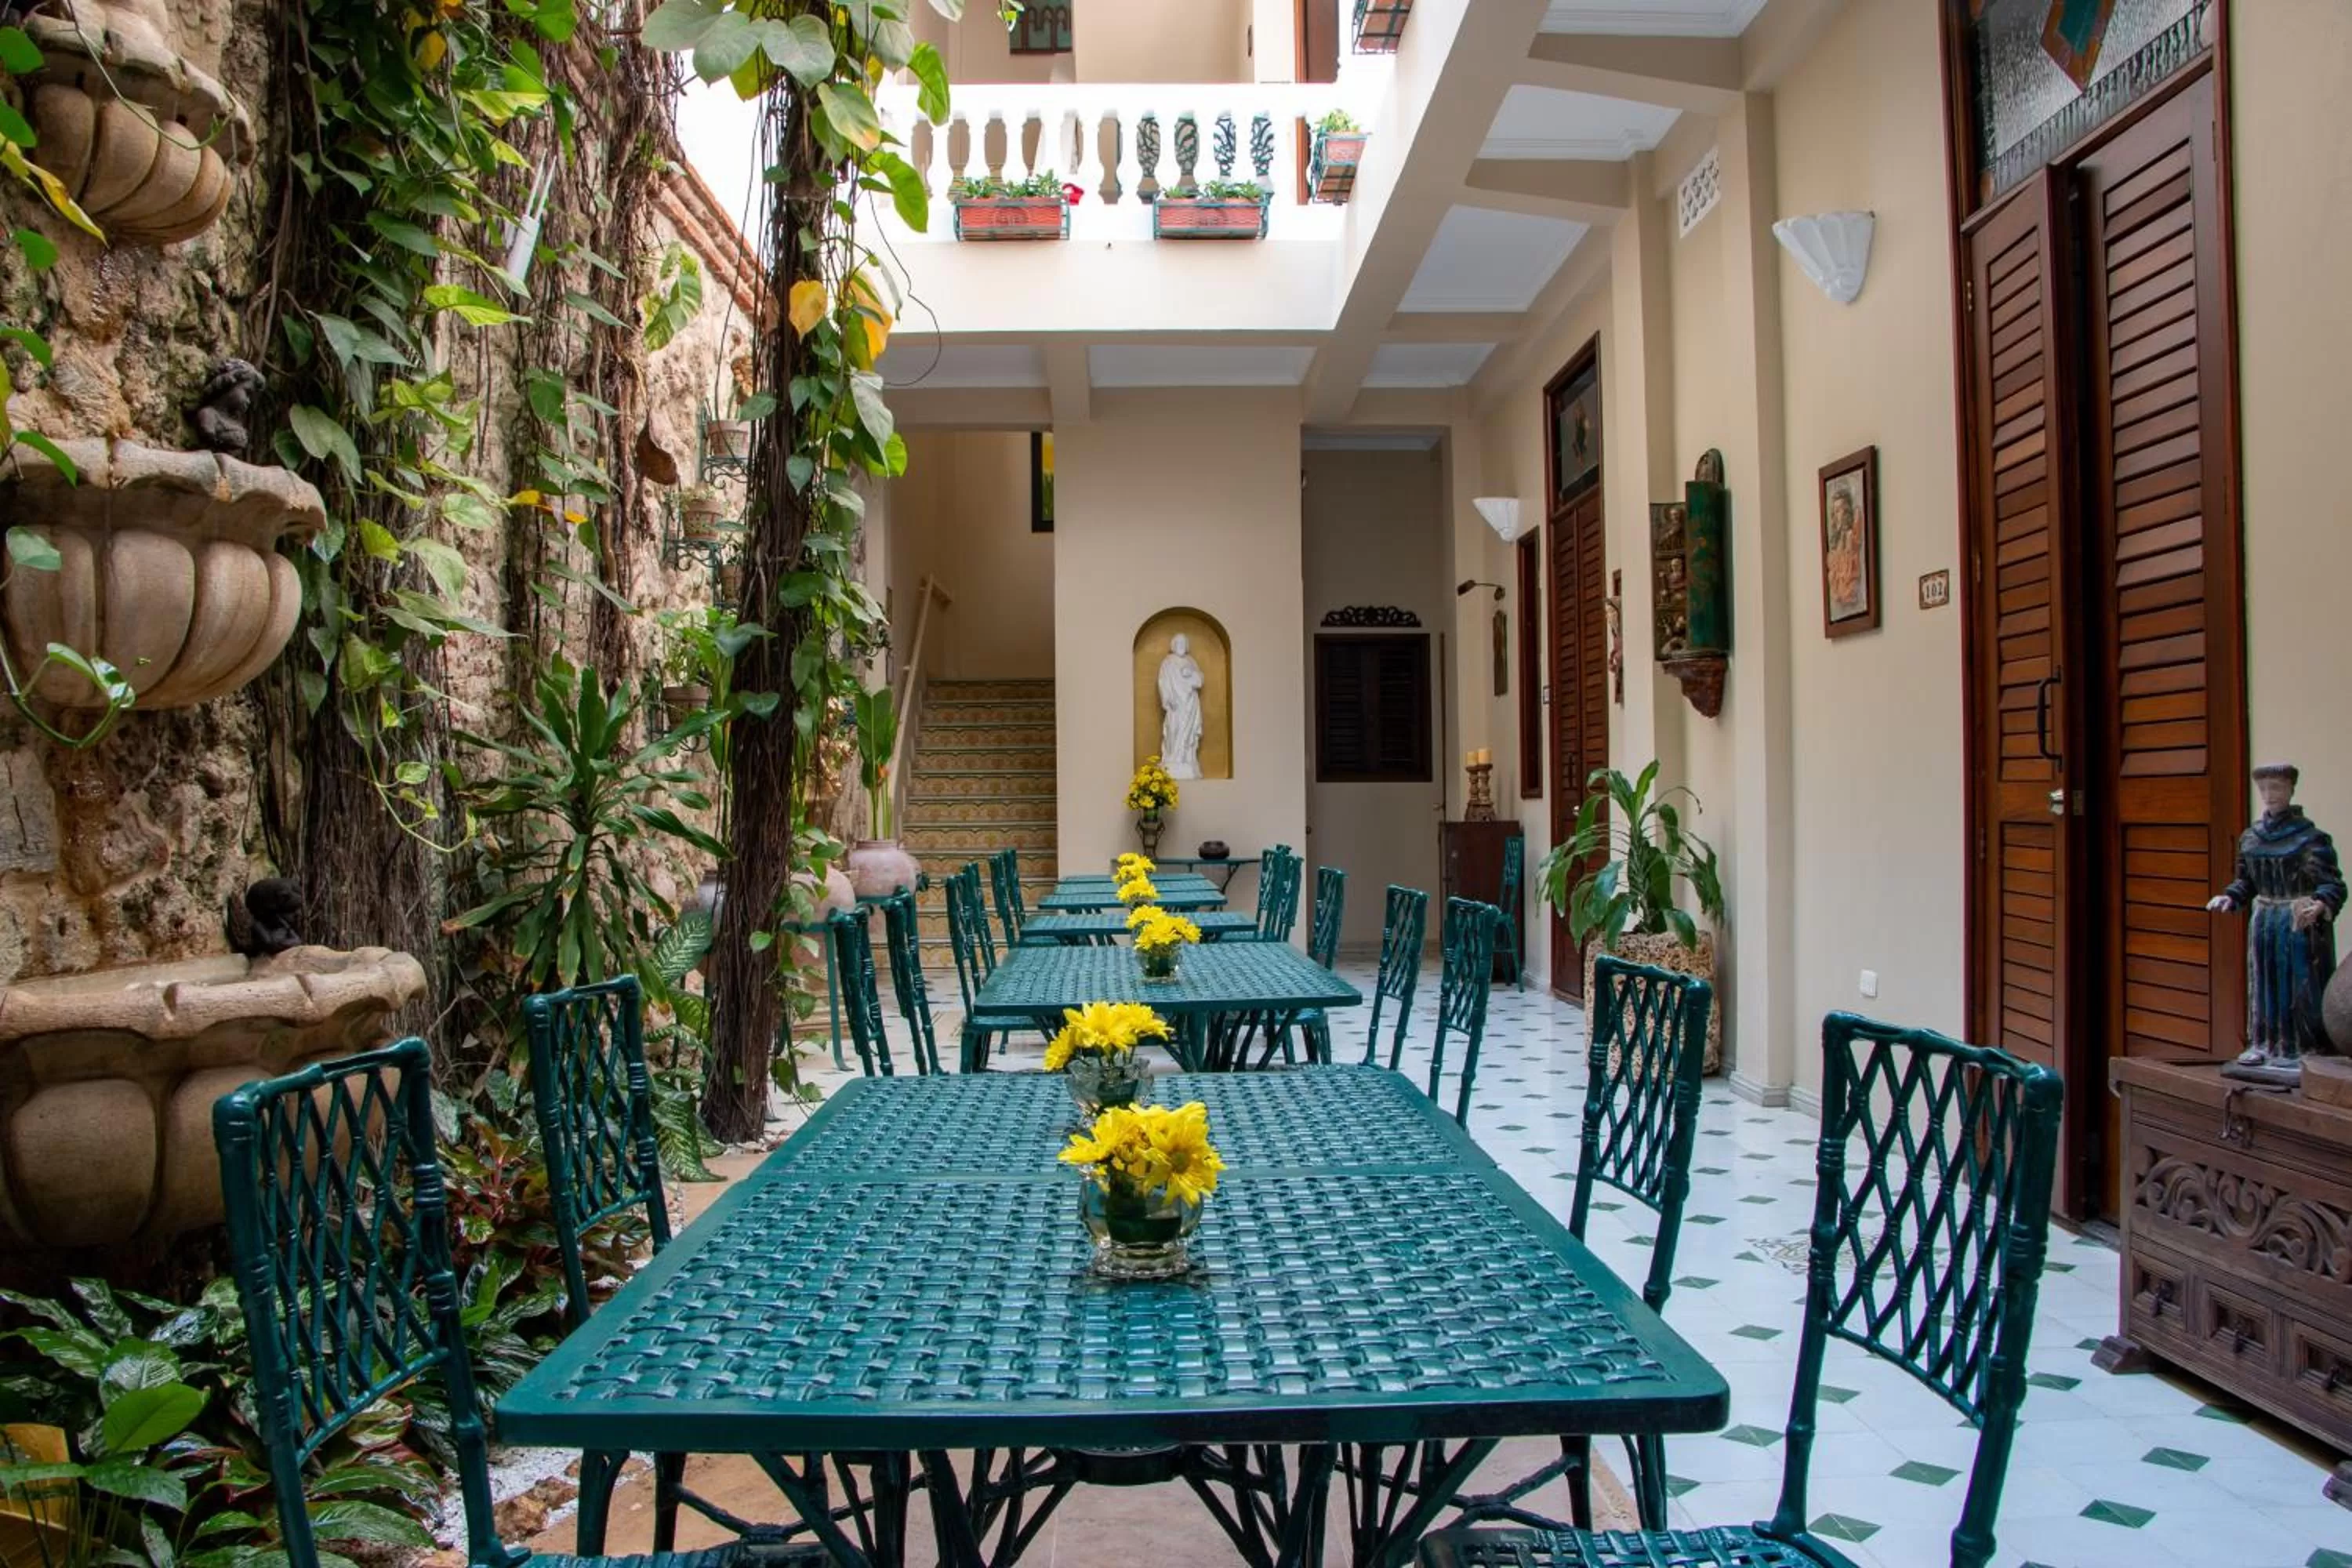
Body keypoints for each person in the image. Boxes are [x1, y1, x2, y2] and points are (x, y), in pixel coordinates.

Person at [2207, 763, 2346, 1082]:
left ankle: (2302, 1048)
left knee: (2298, 984)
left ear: (2291, 790)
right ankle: (2263, 1044)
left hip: (2296, 920)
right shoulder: (2251, 838)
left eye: (2277, 788)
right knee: (2263, 981)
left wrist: (2320, 903)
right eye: (2265, 789)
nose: (2270, 795)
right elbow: (2246, 882)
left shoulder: (2310, 838)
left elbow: (2332, 884)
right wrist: (2231, 897)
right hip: (2264, 919)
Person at [1157, 634, 1205, 780]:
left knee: (1188, 732)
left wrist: (1192, 673)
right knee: (1174, 729)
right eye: (1178, 643)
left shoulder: (1191, 662)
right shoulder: (1168, 662)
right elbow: (1163, 682)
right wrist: (1167, 698)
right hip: (1175, 705)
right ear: (1174, 645)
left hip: (1190, 703)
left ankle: (1187, 758)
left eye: (1184, 643)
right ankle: (1172, 757)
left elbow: (1200, 680)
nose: (1181, 646)